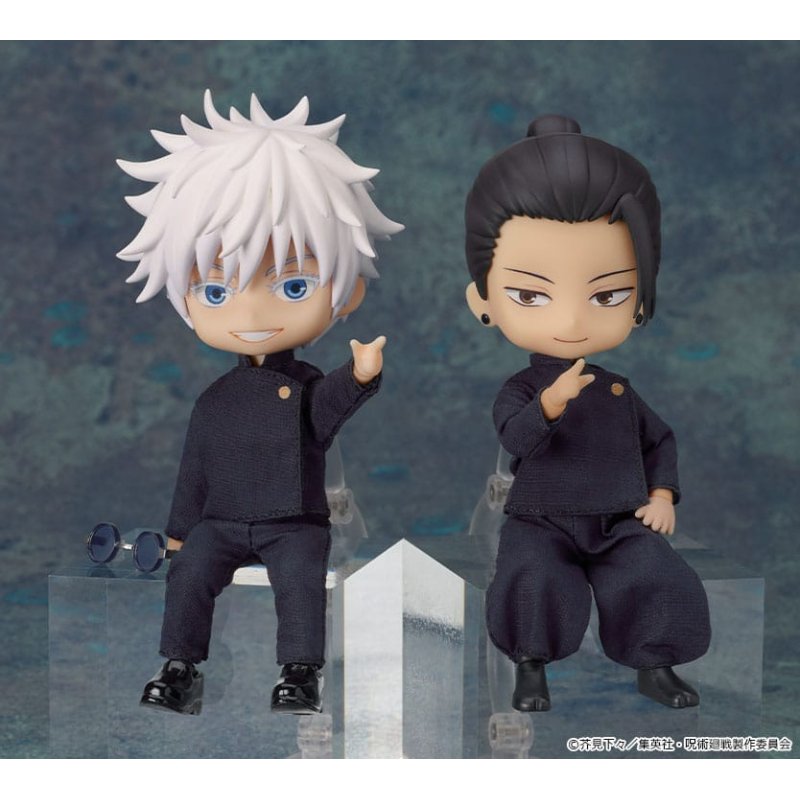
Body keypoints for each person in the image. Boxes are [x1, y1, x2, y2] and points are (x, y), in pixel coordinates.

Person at [117, 90, 403, 715]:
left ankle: (300, 671)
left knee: (300, 581)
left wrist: (358, 375)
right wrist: (178, 535)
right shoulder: (214, 399)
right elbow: (194, 471)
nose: (250, 315)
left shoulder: (302, 384)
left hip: (291, 521)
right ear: (184, 296)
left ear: (347, 290)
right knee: (191, 574)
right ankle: (180, 666)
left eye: (293, 285)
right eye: (216, 291)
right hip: (221, 522)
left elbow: (323, 415)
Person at [464, 114, 710, 711]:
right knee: (532, 577)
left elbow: (659, 440)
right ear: (483, 300)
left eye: (608, 294)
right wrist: (548, 406)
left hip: (618, 517)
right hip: (541, 518)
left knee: (654, 573)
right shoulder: (522, 388)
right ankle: (530, 665)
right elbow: (514, 437)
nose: (572, 319)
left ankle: (655, 663)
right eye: (530, 294)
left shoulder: (618, 389)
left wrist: (662, 495)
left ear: (640, 297)